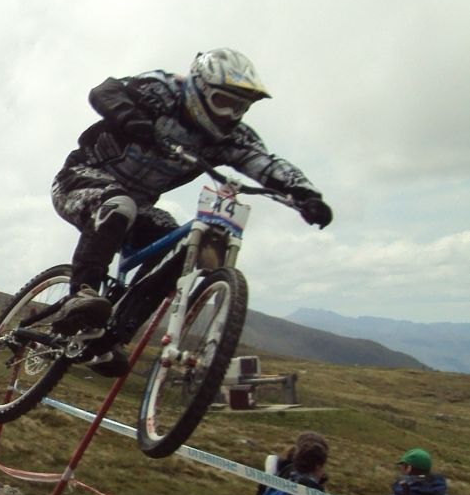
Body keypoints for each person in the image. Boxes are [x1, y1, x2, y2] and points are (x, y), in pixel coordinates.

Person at [49, 48, 333, 375]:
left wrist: (306, 194)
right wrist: (131, 118)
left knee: (179, 247)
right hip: (80, 179)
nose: (230, 114)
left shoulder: (231, 137)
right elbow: (106, 91)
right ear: (199, 88)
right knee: (118, 205)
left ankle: (110, 337)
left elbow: (265, 163)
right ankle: (81, 295)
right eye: (223, 102)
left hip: (139, 205)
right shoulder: (163, 89)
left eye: (240, 107)